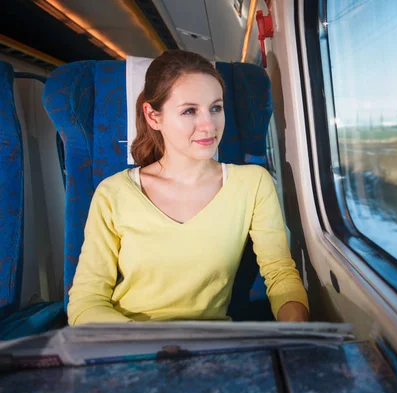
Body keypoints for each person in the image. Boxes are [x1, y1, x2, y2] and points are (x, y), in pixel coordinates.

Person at [67, 50, 309, 325]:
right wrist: (151, 345)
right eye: (189, 111)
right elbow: (86, 302)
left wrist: (298, 331)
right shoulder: (114, 193)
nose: (209, 126)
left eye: (216, 108)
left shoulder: (252, 183)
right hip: (129, 345)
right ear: (153, 116)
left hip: (211, 349)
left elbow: (280, 274)